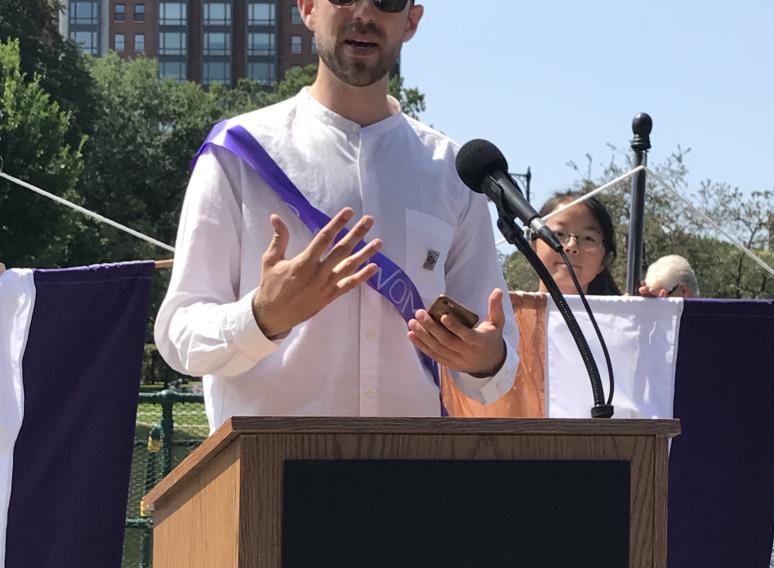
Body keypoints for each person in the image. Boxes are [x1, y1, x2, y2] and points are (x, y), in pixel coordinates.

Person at [155, 0, 518, 431]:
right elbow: (179, 335)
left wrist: (484, 359)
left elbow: (498, 360)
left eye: (386, 1)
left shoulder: (452, 172)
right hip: (264, 476)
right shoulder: (237, 154)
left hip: (410, 473)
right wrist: (262, 316)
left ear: (411, 21)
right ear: (307, 8)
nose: (364, 13)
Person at [529, 193, 621, 296]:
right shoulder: (509, 310)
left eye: (588, 238)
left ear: (604, 260)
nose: (572, 246)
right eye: (559, 234)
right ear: (534, 246)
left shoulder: (628, 311)